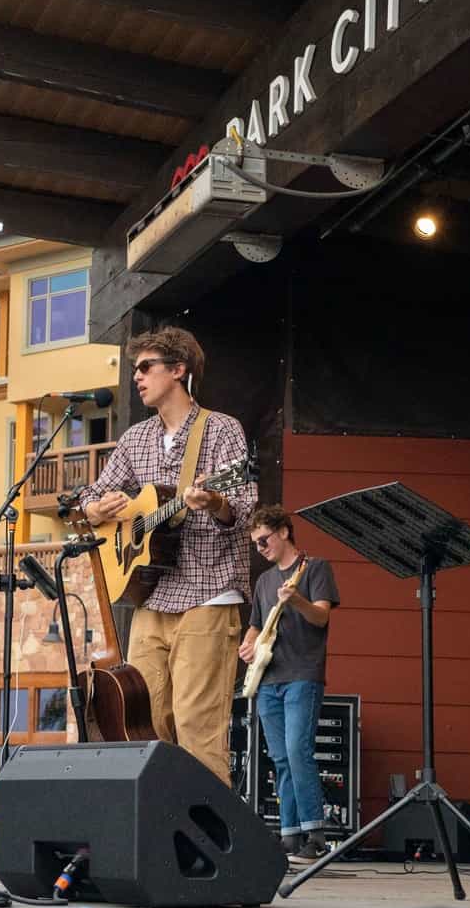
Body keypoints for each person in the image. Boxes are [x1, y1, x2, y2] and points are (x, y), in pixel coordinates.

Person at [79, 326, 257, 782]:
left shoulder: (221, 430)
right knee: (145, 720)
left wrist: (213, 501)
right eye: (135, 369)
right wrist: (98, 507)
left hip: (209, 592)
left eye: (146, 367)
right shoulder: (136, 438)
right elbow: (90, 498)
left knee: (198, 726)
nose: (136, 377)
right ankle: (165, 832)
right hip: (152, 598)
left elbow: (242, 505)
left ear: (178, 371)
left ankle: (213, 843)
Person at [239, 505, 340, 860]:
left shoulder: (315, 569)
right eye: (255, 543)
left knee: (298, 752)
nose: (260, 547)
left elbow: (321, 616)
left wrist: (296, 599)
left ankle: (316, 834)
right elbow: (256, 623)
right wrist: (249, 644)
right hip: (269, 678)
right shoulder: (264, 581)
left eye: (263, 539)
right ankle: (289, 835)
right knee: (281, 758)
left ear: (283, 531)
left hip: (302, 674)